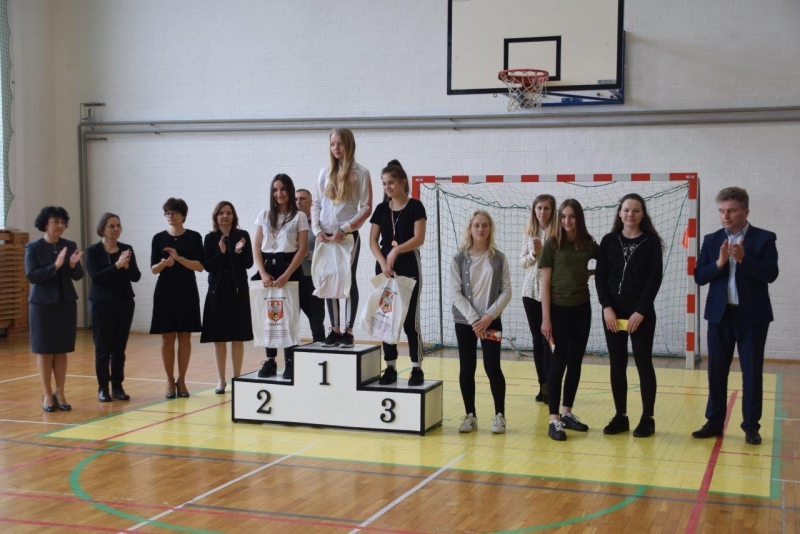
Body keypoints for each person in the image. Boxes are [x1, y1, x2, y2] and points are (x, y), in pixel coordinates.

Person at [692, 187, 779, 445]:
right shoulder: (711, 240)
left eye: (731, 210)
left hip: (752, 317)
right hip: (719, 316)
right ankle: (714, 422)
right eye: (721, 211)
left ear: (745, 211)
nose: (725, 216)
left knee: (751, 372)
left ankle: (751, 426)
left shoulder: (764, 238)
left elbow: (771, 274)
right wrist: (719, 264)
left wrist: (744, 259)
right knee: (716, 371)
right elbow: (699, 276)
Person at [595, 194, 663, 438]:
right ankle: (620, 416)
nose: (630, 214)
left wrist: (641, 311)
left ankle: (647, 418)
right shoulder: (608, 240)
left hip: (640, 315)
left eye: (635, 210)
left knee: (643, 363)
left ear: (642, 214)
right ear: (619, 212)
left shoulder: (651, 242)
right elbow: (601, 276)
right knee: (617, 363)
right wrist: (606, 307)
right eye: (626, 210)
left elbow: (654, 279)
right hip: (613, 315)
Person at [540, 199, 599, 441]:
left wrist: (590, 272)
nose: (567, 221)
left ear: (578, 218)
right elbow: (545, 284)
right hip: (558, 311)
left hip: (582, 309)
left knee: (575, 362)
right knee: (558, 363)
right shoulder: (552, 244)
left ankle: (567, 414)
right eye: (563, 216)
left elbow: (607, 262)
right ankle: (554, 419)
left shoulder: (587, 243)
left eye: (572, 216)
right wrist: (546, 319)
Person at [450, 210, 511, 434]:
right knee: (467, 367)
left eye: (485, 225)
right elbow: (455, 293)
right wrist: (475, 319)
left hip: (491, 321)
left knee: (492, 366)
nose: (480, 229)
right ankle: (470, 415)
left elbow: (506, 291)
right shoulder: (458, 259)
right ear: (470, 228)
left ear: (490, 229)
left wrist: (488, 317)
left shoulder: (499, 259)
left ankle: (499, 415)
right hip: (465, 322)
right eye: (476, 225)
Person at [311, 128, 373, 348]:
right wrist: (316, 230)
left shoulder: (361, 172)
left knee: (347, 279)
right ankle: (335, 330)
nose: (335, 148)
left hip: (347, 237)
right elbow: (316, 203)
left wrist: (345, 229)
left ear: (349, 144)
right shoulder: (325, 172)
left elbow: (366, 207)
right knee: (329, 279)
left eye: (339, 144)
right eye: (332, 144)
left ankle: (348, 331)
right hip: (325, 236)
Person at [369, 160, 427, 386]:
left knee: (410, 320)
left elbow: (418, 238)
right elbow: (373, 241)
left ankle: (416, 368)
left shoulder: (416, 207)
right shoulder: (381, 209)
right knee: (386, 318)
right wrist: (383, 261)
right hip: (385, 269)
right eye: (384, 184)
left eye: (391, 182)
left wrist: (396, 251)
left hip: (408, 267)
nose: (387, 187)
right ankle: (391, 367)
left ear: (403, 182)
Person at [25, 206, 84, 412]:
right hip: (42, 305)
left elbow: (78, 276)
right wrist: (56, 266)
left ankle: (60, 392)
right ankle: (47, 393)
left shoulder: (69, 245)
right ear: (45, 224)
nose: (60, 226)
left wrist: (73, 266)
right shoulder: (33, 247)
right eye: (55, 222)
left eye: (62, 222)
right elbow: (32, 276)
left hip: (65, 303)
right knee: (45, 350)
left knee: (61, 350)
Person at [253, 174, 308, 380]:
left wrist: (287, 275)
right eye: (275, 190)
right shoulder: (264, 215)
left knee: (289, 317)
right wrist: (262, 272)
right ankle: (270, 361)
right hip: (268, 269)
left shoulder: (299, 216)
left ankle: (291, 362)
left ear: (290, 191)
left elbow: (302, 249)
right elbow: (256, 246)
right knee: (269, 317)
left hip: (289, 268)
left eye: (283, 189)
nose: (279, 193)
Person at [150, 198, 205, 399]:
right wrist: (165, 264)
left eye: (174, 212)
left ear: (183, 215)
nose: (170, 216)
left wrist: (179, 259)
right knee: (167, 337)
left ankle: (181, 380)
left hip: (187, 290)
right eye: (167, 213)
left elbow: (200, 266)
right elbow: (153, 269)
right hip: (165, 291)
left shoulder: (194, 237)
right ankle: (168, 380)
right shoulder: (158, 238)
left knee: (184, 336)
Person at [86, 213, 141, 402]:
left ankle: (117, 386)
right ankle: (103, 388)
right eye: (111, 226)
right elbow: (97, 277)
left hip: (124, 302)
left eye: (118, 225)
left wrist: (126, 267)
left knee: (119, 348)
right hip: (101, 304)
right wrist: (117, 266)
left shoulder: (127, 249)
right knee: (102, 349)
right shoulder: (93, 251)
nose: (116, 229)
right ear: (102, 229)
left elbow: (136, 276)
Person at [200, 201, 254, 394]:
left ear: (233, 216)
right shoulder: (210, 238)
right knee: (219, 338)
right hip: (217, 291)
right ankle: (221, 379)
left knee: (237, 337)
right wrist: (222, 252)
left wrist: (237, 250)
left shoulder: (242, 235)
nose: (225, 216)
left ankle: (237, 377)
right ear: (216, 217)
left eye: (229, 212)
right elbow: (208, 266)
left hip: (238, 290)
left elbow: (248, 263)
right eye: (221, 213)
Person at [520, 194, 558, 404]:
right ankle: (541, 384)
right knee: (537, 339)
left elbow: (557, 262)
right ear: (534, 210)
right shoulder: (529, 233)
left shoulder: (557, 233)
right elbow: (523, 262)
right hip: (530, 292)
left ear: (552, 211)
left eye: (546, 208)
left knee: (549, 339)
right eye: (539, 208)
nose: (542, 212)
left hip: (551, 292)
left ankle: (550, 385)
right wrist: (534, 254)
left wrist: (541, 252)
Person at [296, 188, 326, 343]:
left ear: (311, 202)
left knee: (316, 320)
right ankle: (290, 356)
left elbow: (325, 255)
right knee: (290, 321)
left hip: (312, 279)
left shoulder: (319, 225)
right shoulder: (290, 224)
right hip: (292, 279)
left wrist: (307, 254)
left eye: (302, 199)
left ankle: (319, 351)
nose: (298, 202)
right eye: (296, 199)